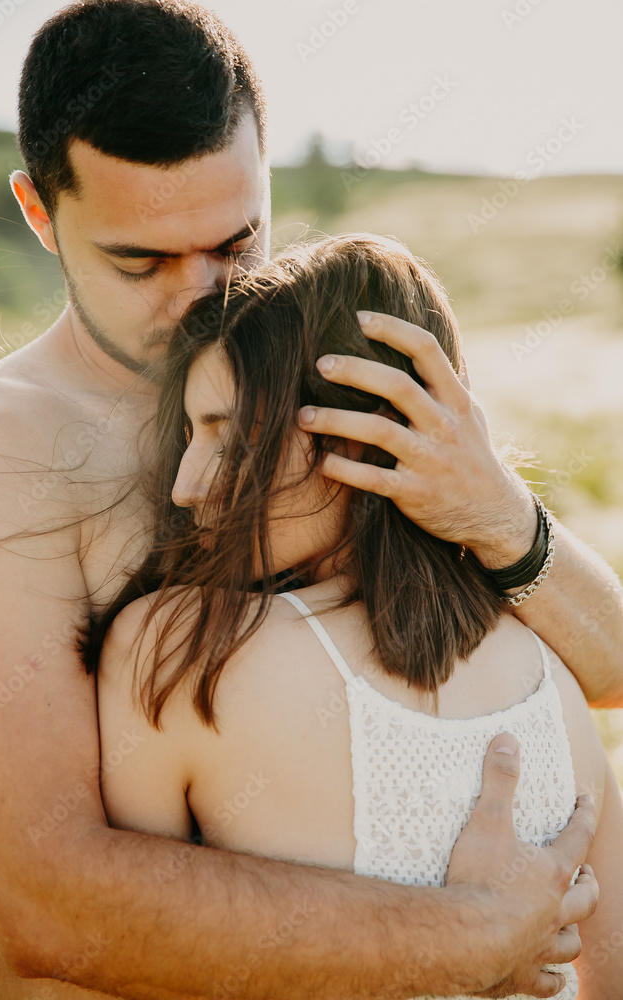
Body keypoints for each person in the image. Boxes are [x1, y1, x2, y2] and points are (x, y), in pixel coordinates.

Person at [0, 0, 616, 997]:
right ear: (40, 214)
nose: (200, 293)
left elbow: (603, 675)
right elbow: (24, 909)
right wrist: (468, 935)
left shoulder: (317, 375)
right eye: (141, 259)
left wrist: (500, 521)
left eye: (235, 239)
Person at [86, 233, 623, 1000]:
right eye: (186, 434)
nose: (184, 485)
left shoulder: (177, 650)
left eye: (227, 435)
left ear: (361, 438)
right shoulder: (552, 665)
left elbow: (120, 958)